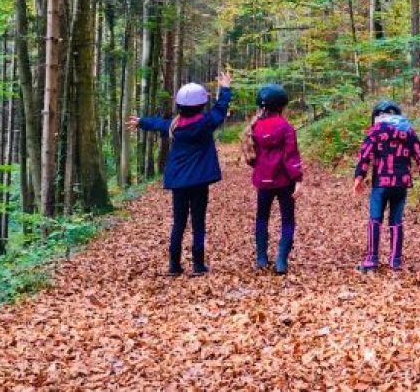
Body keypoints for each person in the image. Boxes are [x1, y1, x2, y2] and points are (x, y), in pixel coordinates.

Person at [127, 72, 232, 276]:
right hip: (199, 181)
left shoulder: (174, 125)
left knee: (179, 223)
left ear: (179, 106)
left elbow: (158, 123)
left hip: (179, 182)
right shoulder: (205, 123)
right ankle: (198, 265)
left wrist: (141, 122)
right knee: (198, 222)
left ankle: (174, 265)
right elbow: (221, 109)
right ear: (201, 105)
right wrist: (225, 88)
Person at [353, 101, 420, 272]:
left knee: (375, 219)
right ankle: (395, 260)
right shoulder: (407, 130)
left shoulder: (375, 130)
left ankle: (372, 259)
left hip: (381, 182)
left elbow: (365, 155)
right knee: (396, 221)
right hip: (401, 183)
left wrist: (359, 177)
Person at [241, 84, 303, 274]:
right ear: (281, 105)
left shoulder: (255, 127)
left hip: (263, 182)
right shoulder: (286, 127)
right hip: (285, 182)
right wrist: (298, 179)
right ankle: (281, 261)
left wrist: (261, 170)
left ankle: (261, 258)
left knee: (262, 218)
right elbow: (290, 156)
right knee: (287, 220)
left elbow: (252, 156)